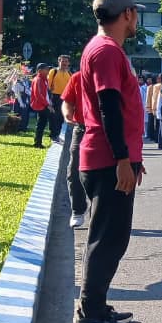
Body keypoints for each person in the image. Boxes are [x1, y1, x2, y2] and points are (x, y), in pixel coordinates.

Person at [71, 0, 145, 323]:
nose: (137, 20)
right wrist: (122, 159)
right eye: (136, 14)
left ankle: (97, 308)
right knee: (106, 238)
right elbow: (109, 107)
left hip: (108, 156)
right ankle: (88, 317)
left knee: (112, 236)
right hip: (106, 158)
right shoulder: (105, 51)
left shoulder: (105, 49)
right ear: (127, 14)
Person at [60, 71, 88, 229]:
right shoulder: (77, 77)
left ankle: (100, 214)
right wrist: (67, 112)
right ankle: (78, 210)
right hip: (82, 128)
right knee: (74, 170)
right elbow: (67, 101)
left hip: (105, 130)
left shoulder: (110, 75)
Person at [46, 55, 72, 141]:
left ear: (68, 63)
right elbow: (48, 86)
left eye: (66, 61)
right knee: (54, 116)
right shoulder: (53, 71)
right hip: (54, 96)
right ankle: (53, 134)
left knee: (61, 117)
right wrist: (48, 98)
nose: (64, 63)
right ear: (59, 62)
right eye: (62, 61)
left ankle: (57, 134)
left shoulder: (69, 73)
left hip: (65, 98)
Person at [31, 64, 51, 148]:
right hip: (41, 105)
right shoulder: (38, 79)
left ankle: (38, 142)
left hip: (43, 104)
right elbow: (38, 94)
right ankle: (37, 143)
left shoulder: (43, 79)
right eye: (46, 69)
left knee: (42, 124)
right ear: (40, 70)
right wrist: (47, 104)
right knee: (40, 125)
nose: (48, 71)